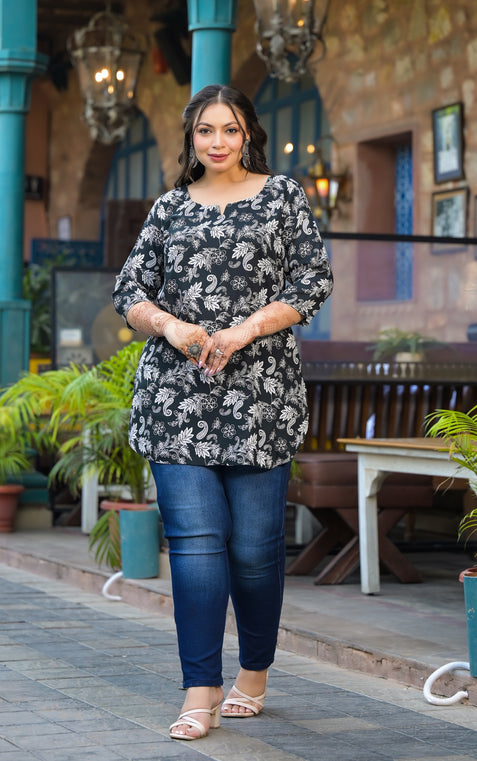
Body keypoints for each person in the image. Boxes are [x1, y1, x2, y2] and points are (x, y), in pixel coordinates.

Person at [112, 84, 333, 741]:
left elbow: (311, 280)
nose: (216, 141)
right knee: (196, 545)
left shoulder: (281, 194)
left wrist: (244, 330)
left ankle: (254, 673)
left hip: (260, 395)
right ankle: (199, 688)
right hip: (176, 396)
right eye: (205, 130)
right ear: (191, 138)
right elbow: (130, 289)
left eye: (229, 129)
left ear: (247, 135)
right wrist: (172, 327)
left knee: (256, 551)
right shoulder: (170, 206)